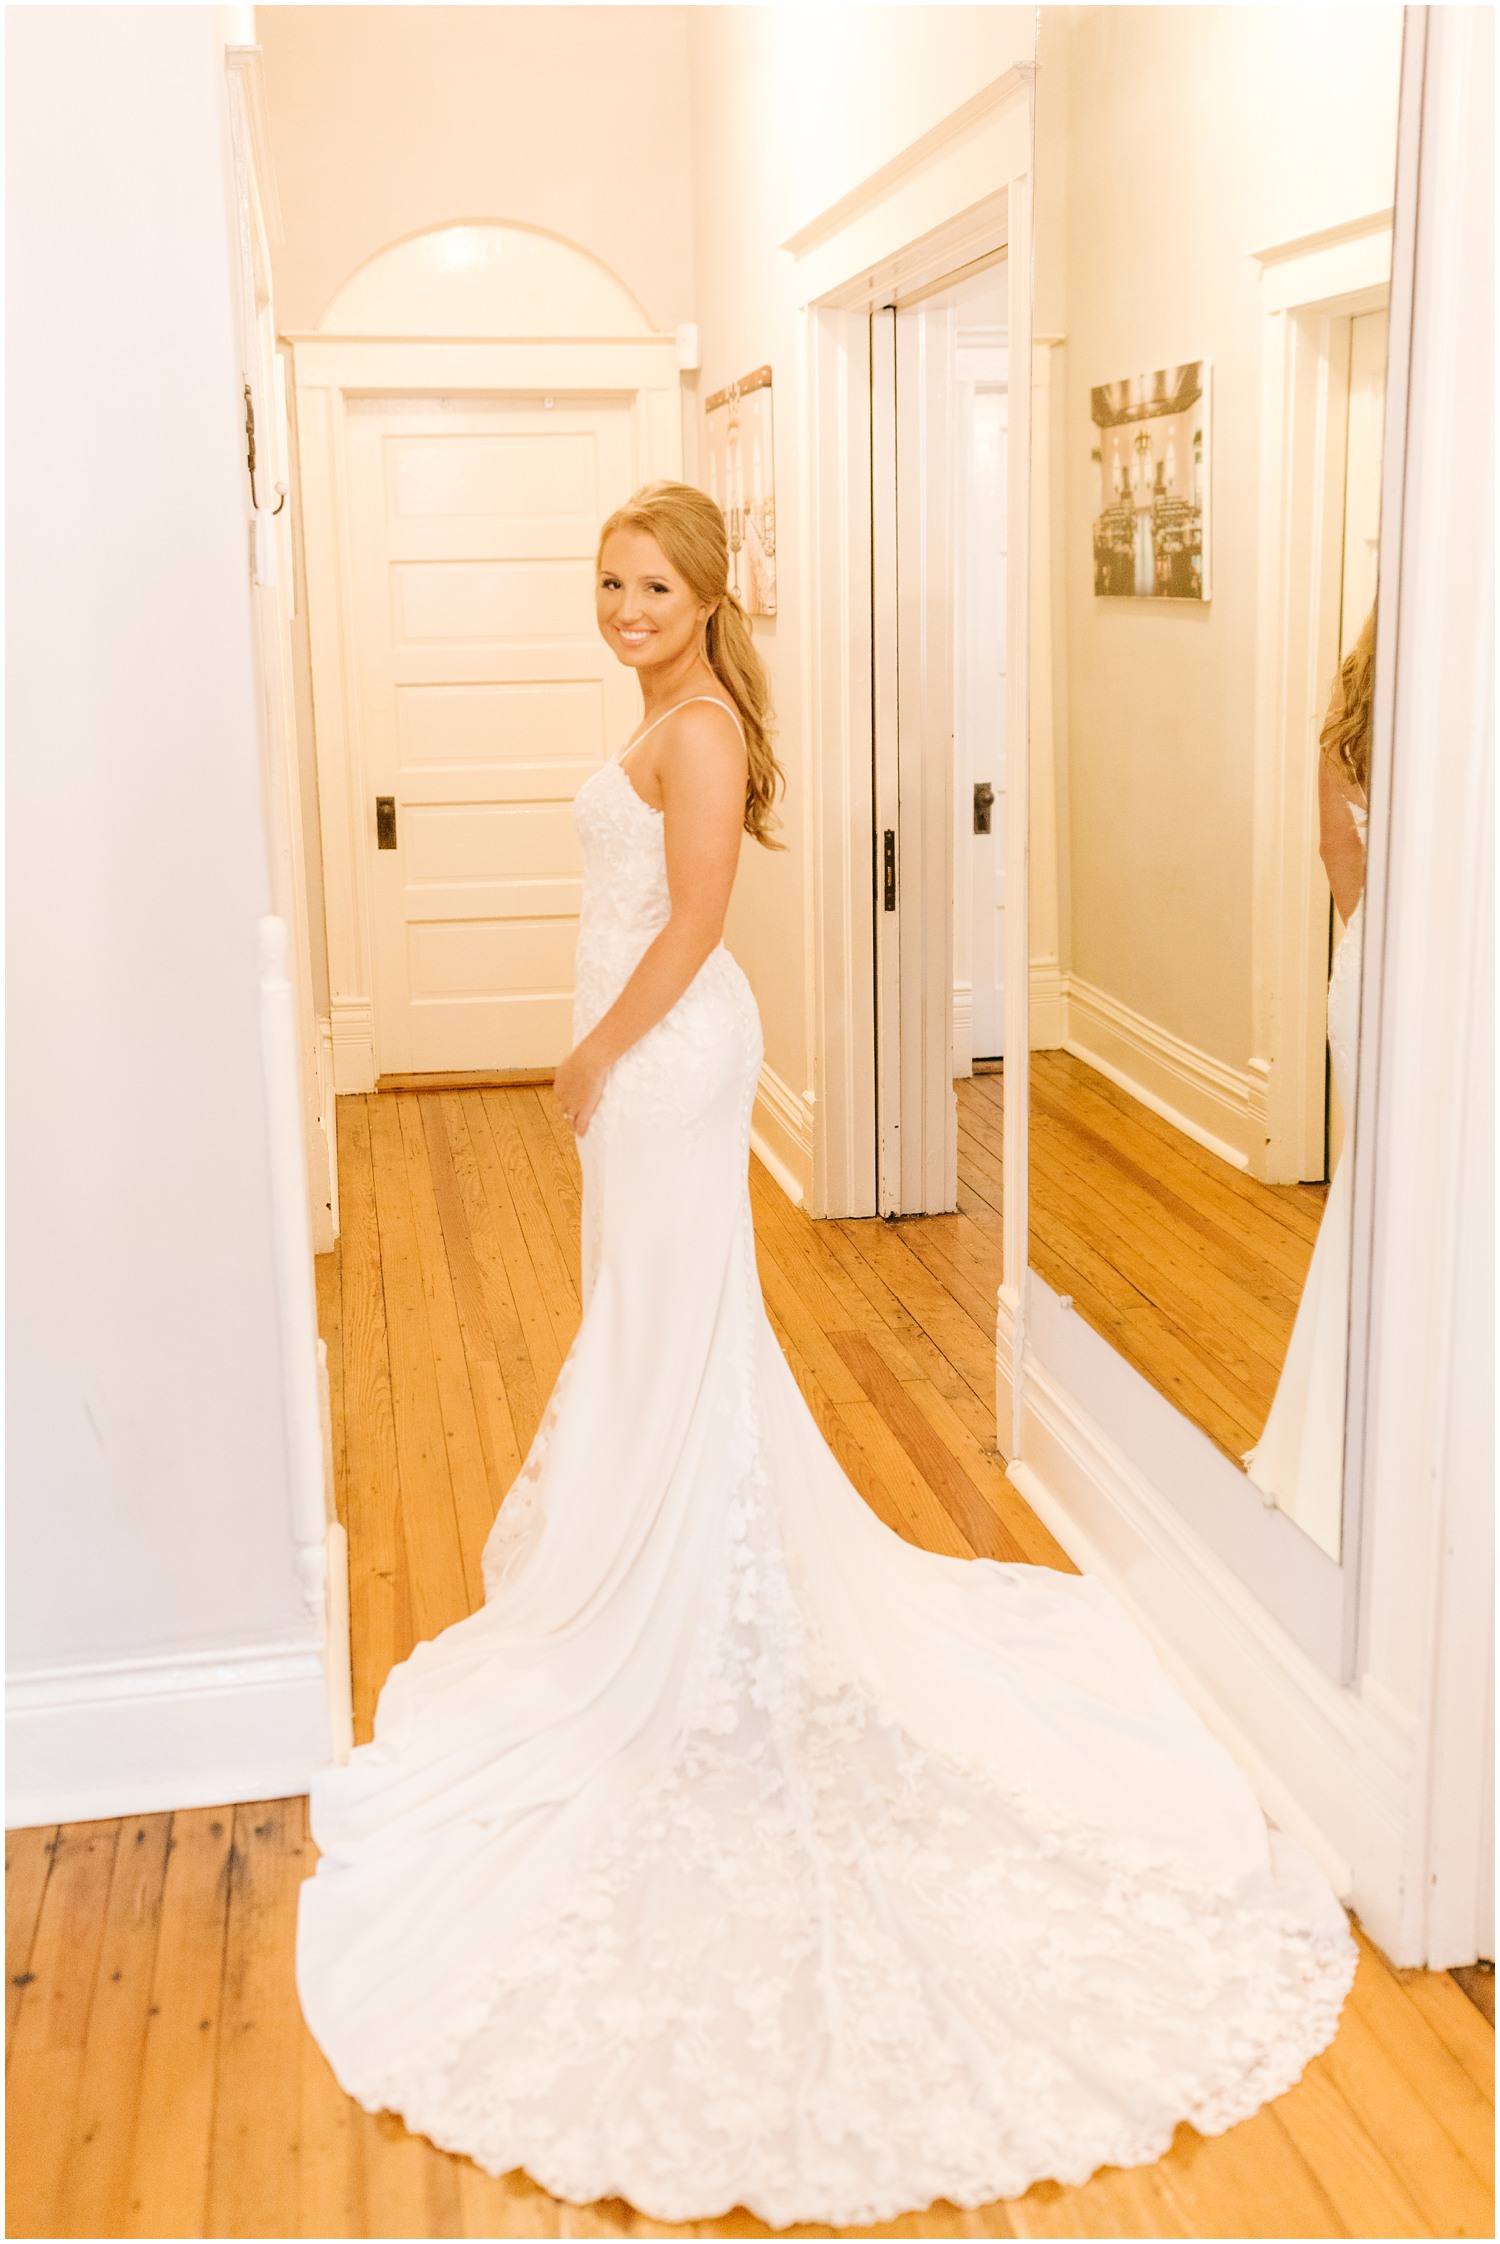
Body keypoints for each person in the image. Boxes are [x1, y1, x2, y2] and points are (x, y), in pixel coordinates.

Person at [297, 482, 1356, 2231]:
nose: (625, 607)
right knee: (653, 1324)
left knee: (664, 1323)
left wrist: (582, 1062)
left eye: (653, 584)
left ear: (709, 597)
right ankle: (655, 1561)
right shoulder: (665, 710)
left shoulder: (699, 728)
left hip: (662, 1053)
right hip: (645, 1057)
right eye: (608, 580)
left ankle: (690, 1593)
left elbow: (694, 923)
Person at [1246, 606, 1376, 1555]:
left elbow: (1342, 860)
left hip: (1368, 968)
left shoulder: (1356, 694)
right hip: (1431, 984)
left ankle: (1334, 1455)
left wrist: (1374, 952)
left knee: (1368, 1203)